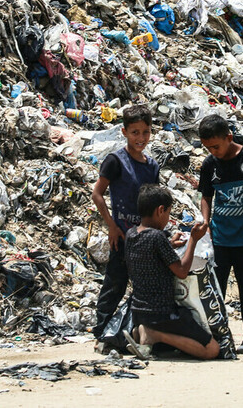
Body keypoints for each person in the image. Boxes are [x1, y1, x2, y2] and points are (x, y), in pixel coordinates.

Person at [197, 114, 243, 355]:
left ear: (229, 137)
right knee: (216, 288)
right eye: (208, 148)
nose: (213, 152)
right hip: (220, 238)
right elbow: (206, 196)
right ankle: (219, 334)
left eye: (216, 146)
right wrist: (206, 223)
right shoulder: (209, 164)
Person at [123, 184, 219, 360]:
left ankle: (143, 332)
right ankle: (154, 335)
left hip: (138, 311)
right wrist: (193, 240)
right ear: (160, 210)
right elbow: (182, 271)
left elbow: (151, 255)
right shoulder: (157, 237)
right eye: (168, 213)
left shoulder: (131, 234)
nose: (168, 218)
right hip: (162, 314)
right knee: (212, 350)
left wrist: (170, 245)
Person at [90, 105, 159, 345]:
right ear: (124, 132)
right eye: (135, 132)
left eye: (145, 132)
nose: (141, 138)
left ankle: (139, 330)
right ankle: (101, 331)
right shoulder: (115, 161)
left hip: (145, 237)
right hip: (121, 235)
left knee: (145, 286)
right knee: (115, 284)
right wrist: (112, 226)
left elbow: (154, 202)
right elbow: (97, 194)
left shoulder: (152, 166)